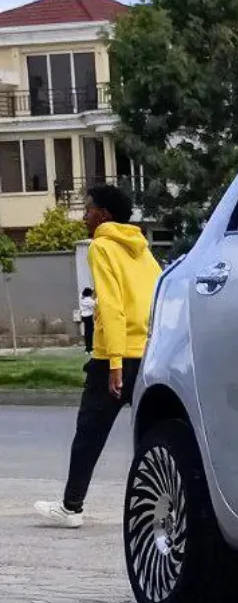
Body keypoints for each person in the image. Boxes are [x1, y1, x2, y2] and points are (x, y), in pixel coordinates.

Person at [35, 185, 161, 527]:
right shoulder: (144, 251)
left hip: (113, 359)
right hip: (150, 352)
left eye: (88, 209)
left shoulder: (101, 247)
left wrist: (115, 363)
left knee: (89, 433)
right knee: (154, 435)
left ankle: (71, 507)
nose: (84, 215)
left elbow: (111, 307)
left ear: (103, 215)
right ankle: (163, 508)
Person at [74, 287, 95, 354]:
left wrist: (91, 289)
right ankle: (90, 348)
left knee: (86, 332)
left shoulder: (81, 298)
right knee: (90, 332)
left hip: (83, 316)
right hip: (89, 316)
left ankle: (87, 348)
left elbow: (82, 293)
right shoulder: (89, 300)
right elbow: (95, 304)